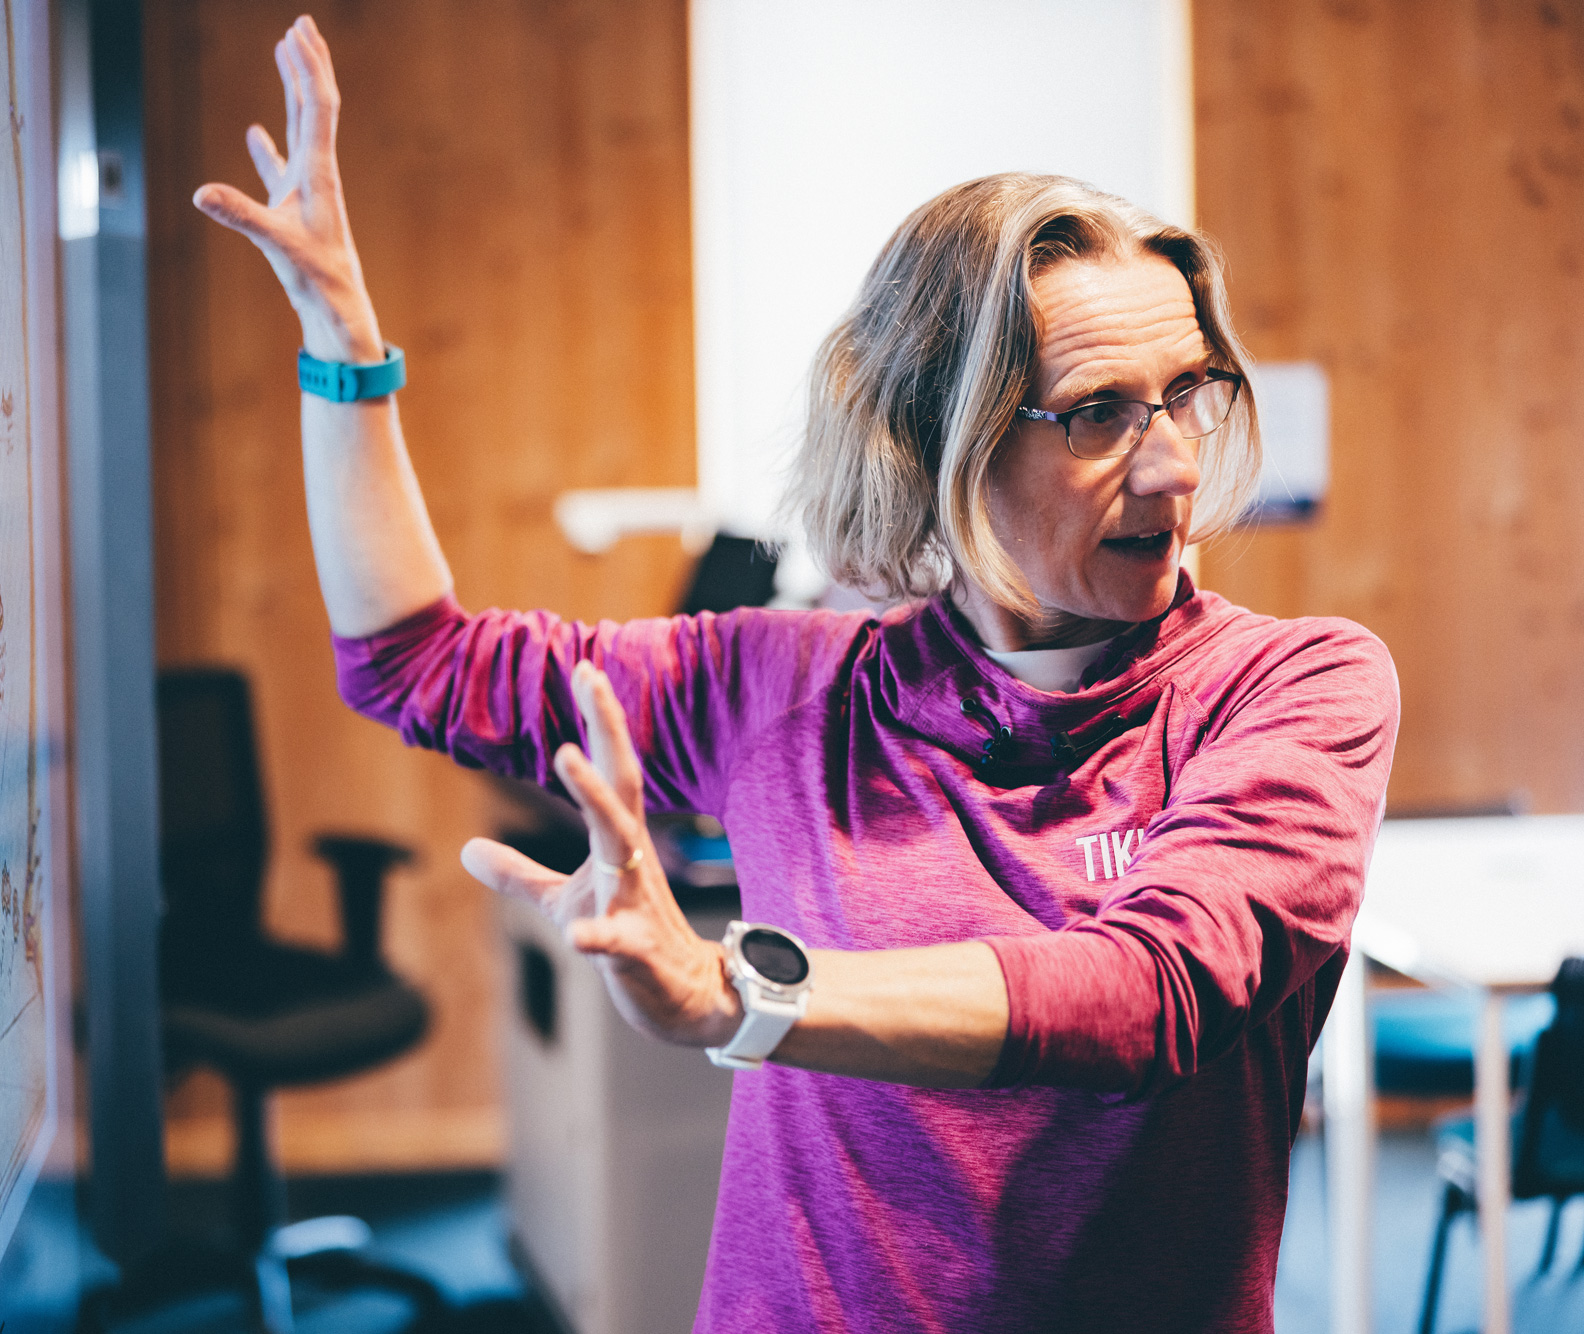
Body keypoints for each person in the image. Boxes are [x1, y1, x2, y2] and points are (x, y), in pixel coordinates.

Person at [193, 17, 1398, 1331]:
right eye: (1099, 412)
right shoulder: (792, 691)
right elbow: (419, 664)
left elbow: (1154, 989)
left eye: (1187, 395)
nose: (1171, 468)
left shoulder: (1295, 691)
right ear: (945, 440)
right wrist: (342, 355)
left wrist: (740, 990)